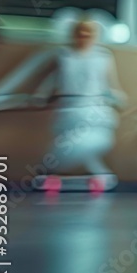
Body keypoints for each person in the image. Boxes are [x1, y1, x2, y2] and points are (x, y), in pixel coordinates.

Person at [33, 18, 125, 176]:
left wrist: (118, 97)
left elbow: (110, 83)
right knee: (70, 145)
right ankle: (54, 172)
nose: (84, 35)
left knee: (92, 141)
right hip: (68, 109)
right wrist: (40, 95)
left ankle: (100, 174)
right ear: (74, 34)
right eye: (80, 32)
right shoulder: (63, 55)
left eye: (88, 32)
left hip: (94, 109)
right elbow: (55, 78)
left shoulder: (104, 57)